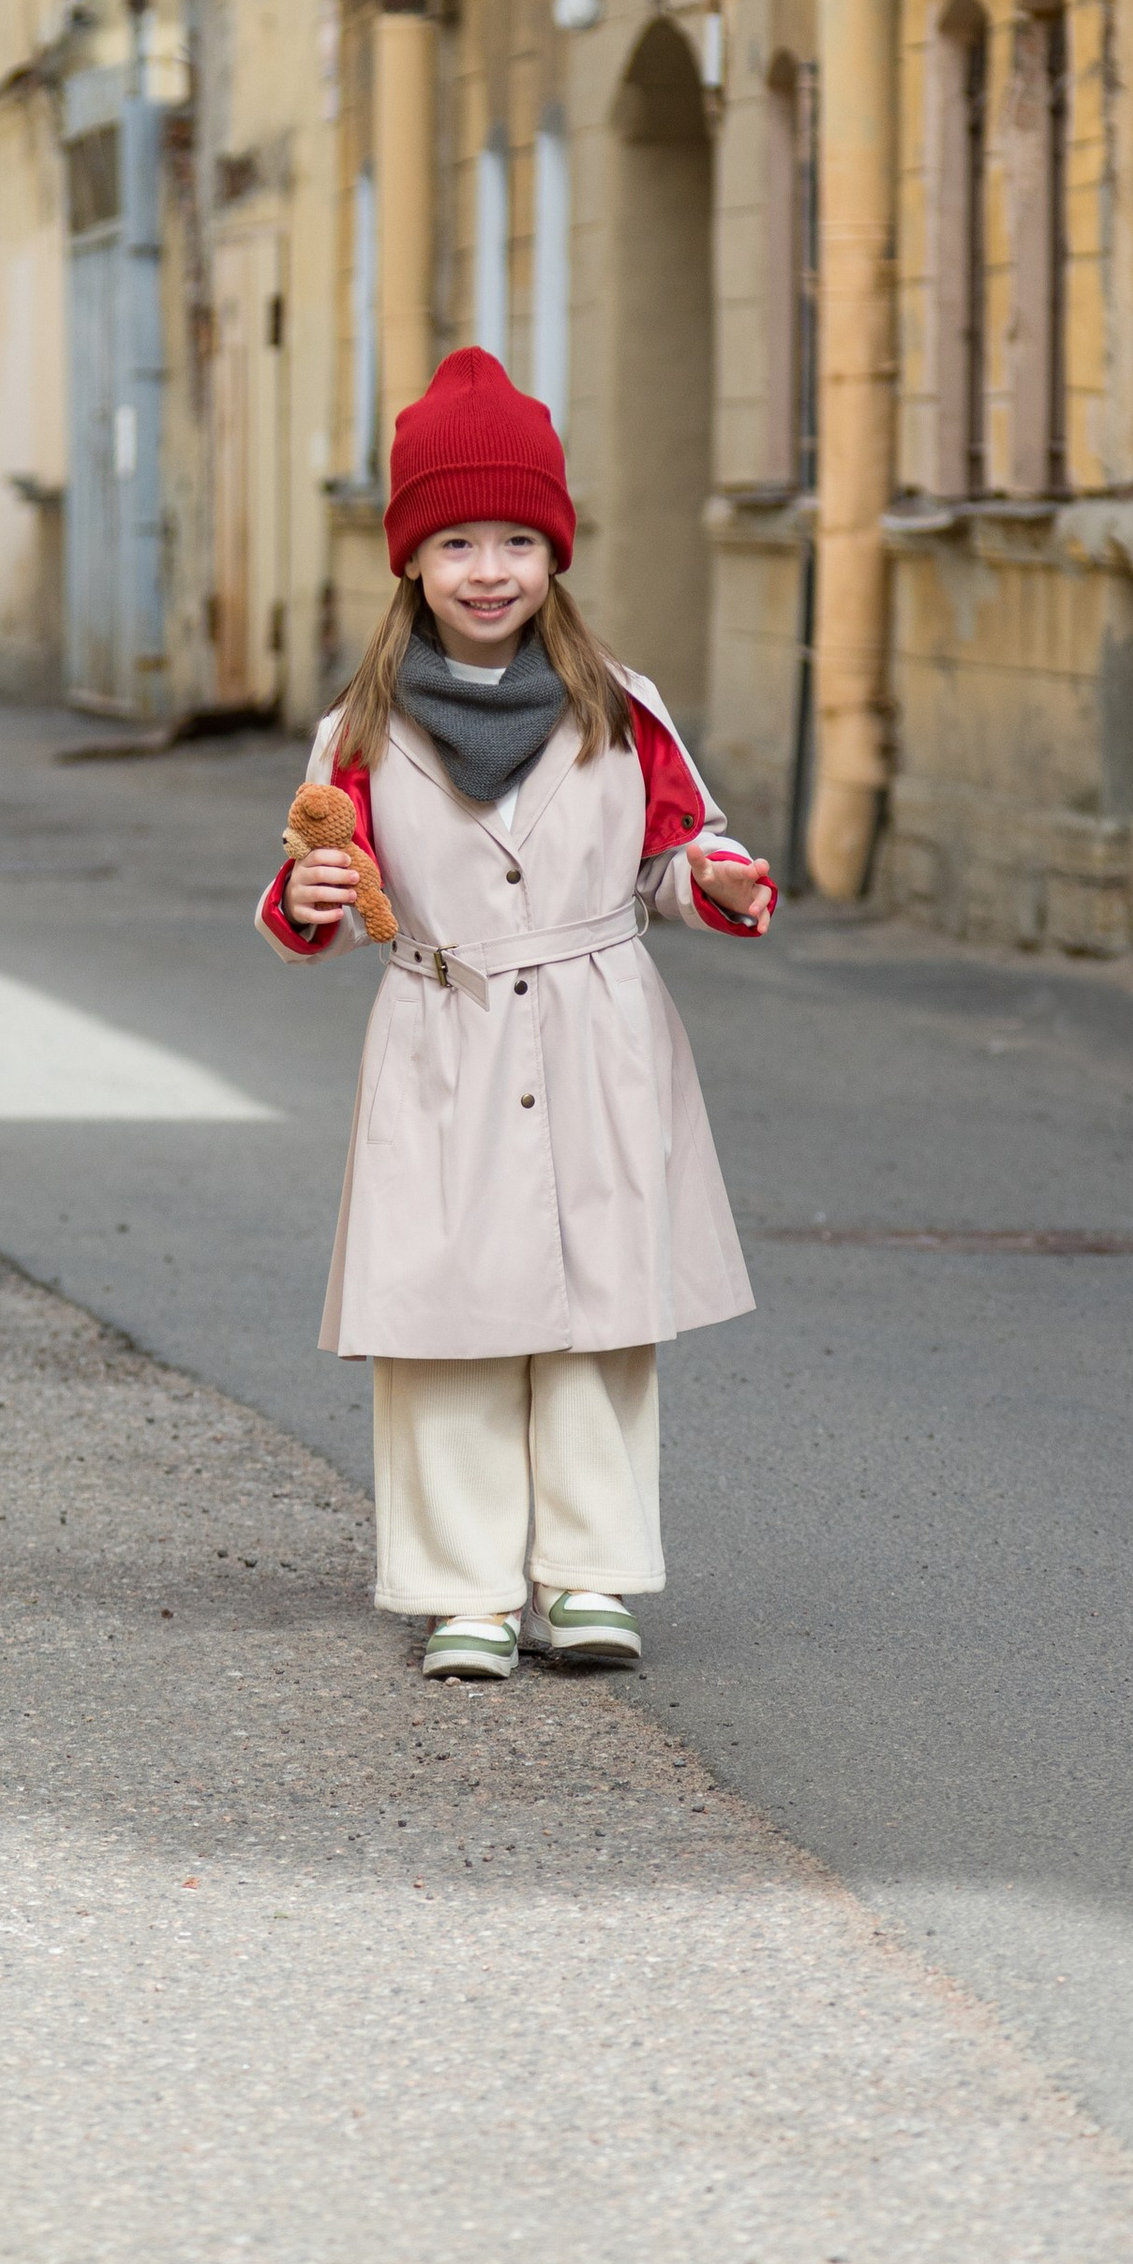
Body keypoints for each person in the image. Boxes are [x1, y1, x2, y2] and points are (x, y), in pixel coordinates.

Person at [256, 346, 774, 1684]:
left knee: (601, 1314)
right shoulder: (358, 734)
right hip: (447, 1028)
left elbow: (674, 852)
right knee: (446, 1320)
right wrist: (311, 892)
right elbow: (325, 890)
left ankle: (592, 1575)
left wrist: (709, 878)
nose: (488, 570)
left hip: (600, 1033)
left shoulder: (625, 709)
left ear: (556, 553)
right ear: (411, 563)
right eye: (456, 542)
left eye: (516, 541)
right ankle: (465, 1589)